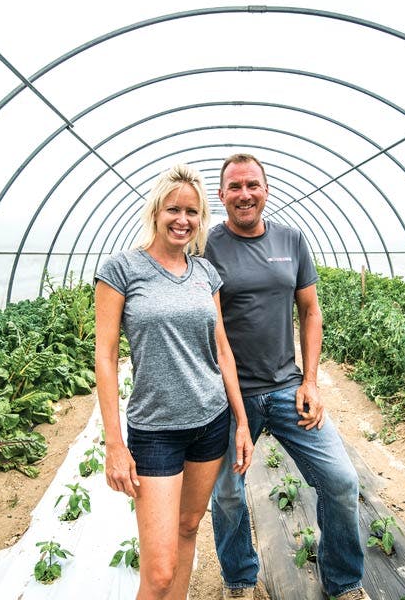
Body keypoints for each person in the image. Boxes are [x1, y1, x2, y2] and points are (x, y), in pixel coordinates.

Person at [206, 154, 369, 600]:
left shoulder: (292, 239)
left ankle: (344, 581)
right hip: (228, 395)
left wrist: (310, 381)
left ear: (266, 190)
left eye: (252, 185)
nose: (245, 194)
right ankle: (239, 581)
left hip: (285, 387)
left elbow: (311, 310)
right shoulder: (206, 245)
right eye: (235, 186)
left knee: (340, 481)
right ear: (220, 196)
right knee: (227, 493)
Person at [94, 163, 254, 600]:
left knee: (188, 529)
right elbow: (105, 357)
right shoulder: (122, 270)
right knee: (159, 570)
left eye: (192, 211)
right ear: (156, 212)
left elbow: (222, 349)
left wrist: (240, 421)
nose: (182, 220)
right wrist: (114, 444)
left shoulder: (205, 274)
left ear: (202, 218)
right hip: (156, 430)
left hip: (209, 422)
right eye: (173, 210)